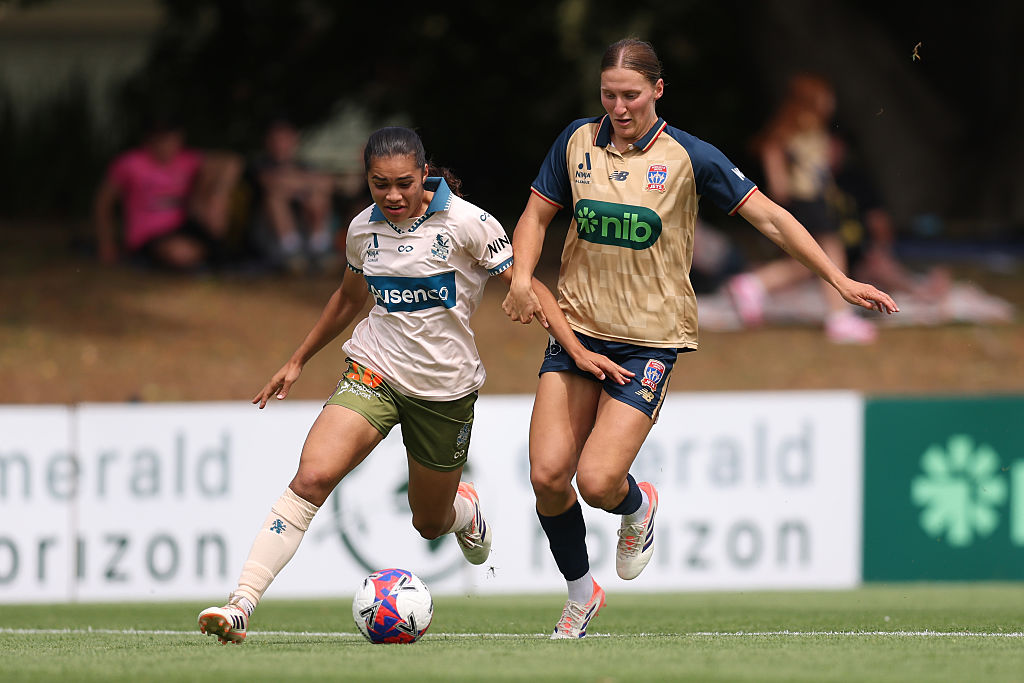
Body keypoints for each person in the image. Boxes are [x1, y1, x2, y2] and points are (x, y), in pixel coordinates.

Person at [502, 39, 898, 639]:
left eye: (630, 95)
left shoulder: (690, 157)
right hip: (578, 331)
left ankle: (637, 507)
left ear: (657, 91)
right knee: (547, 476)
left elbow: (769, 216)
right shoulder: (576, 142)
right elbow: (534, 217)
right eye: (609, 95)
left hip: (649, 342)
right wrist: (523, 278)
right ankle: (581, 595)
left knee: (598, 482)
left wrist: (837, 279)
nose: (618, 106)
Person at [196, 126, 616, 644]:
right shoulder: (361, 230)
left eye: (402, 184)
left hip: (445, 393)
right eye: (378, 185)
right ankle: (241, 604)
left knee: (430, 523)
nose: (392, 196)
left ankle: (465, 513)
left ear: (423, 175)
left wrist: (577, 352)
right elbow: (350, 298)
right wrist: (298, 359)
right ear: (366, 180)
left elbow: (528, 287)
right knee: (311, 476)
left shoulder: (468, 223)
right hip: (373, 371)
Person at [726, 74, 878, 343]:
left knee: (811, 260)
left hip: (815, 199)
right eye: (826, 96)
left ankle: (753, 284)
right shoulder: (799, 125)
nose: (831, 102)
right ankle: (839, 318)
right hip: (807, 200)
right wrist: (781, 184)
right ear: (813, 99)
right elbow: (773, 151)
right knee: (830, 254)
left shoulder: (812, 126)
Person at [94, 120, 241, 271]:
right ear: (150, 141)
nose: (169, 145)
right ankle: (212, 254)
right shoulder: (130, 163)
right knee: (180, 253)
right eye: (163, 140)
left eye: (174, 140)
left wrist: (217, 196)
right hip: (149, 234)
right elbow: (104, 202)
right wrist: (106, 243)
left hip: (184, 225)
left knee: (216, 205)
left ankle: (213, 253)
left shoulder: (186, 159)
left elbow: (231, 162)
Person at [248, 119, 339, 274]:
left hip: (303, 228)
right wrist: (306, 184)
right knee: (276, 197)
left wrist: (296, 186)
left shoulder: (304, 165)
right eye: (276, 140)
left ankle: (319, 247)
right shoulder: (259, 164)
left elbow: (328, 183)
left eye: (285, 139)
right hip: (269, 233)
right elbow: (272, 183)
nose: (280, 144)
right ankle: (290, 249)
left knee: (317, 197)